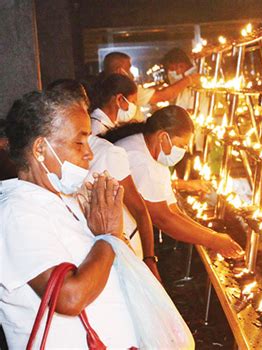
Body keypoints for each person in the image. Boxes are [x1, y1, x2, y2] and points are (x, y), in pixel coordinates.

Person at [0, 90, 140, 347]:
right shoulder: (16, 213)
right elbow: (69, 297)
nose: (89, 154)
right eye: (79, 142)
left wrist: (111, 236)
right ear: (40, 148)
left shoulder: (64, 199)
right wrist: (108, 237)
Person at [46, 79, 160, 278]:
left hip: (118, 250)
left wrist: (148, 260)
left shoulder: (105, 152)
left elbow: (139, 210)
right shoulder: (46, 157)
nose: (87, 154)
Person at [104, 106, 243, 259]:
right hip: (113, 238)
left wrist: (214, 237)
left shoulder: (154, 155)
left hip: (125, 235)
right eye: (182, 145)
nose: (183, 151)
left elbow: (173, 210)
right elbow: (162, 218)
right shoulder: (138, 158)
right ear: (163, 137)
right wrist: (213, 240)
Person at [102, 51, 200, 107]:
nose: (131, 74)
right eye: (129, 69)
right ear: (120, 71)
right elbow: (165, 95)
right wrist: (189, 79)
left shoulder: (105, 89)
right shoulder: (128, 91)